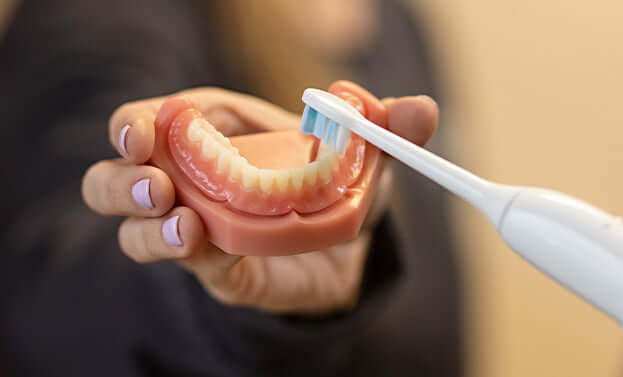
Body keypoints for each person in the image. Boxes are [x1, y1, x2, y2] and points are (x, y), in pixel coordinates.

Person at [0, 1, 461, 376]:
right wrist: (214, 292)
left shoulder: (399, 21)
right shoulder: (103, 17)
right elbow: (53, 286)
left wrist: (353, 235)